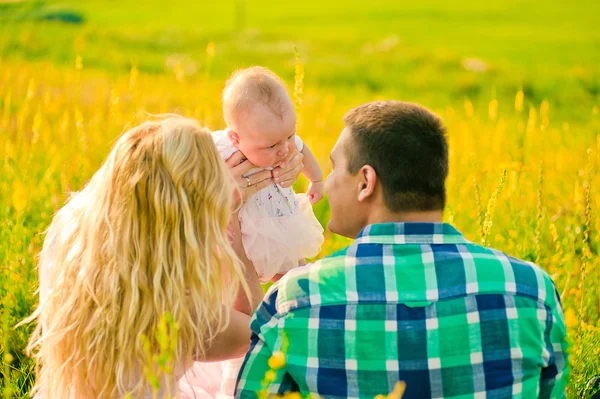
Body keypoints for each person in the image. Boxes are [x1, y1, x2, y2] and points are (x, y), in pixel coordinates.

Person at [236, 101, 569, 399]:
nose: (330, 181)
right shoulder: (531, 290)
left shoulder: (295, 299)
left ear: (366, 181)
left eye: (335, 168)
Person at [22, 116, 303, 398]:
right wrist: (232, 226)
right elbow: (253, 333)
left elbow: (153, 169)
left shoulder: (69, 230)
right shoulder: (175, 303)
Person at [182, 66, 325, 398]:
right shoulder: (219, 148)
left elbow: (304, 152)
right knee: (242, 309)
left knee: (296, 281)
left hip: (278, 225)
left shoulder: (283, 140)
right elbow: (196, 181)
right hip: (240, 233)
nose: (284, 149)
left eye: (289, 136)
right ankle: (238, 378)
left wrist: (315, 179)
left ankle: (302, 349)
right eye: (272, 145)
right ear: (235, 138)